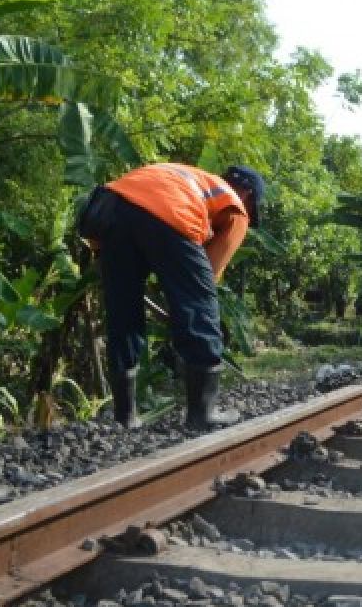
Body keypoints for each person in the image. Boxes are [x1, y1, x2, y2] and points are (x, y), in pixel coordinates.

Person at [95, 162, 264, 430]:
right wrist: (187, 307)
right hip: (167, 210)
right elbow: (207, 278)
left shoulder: (188, 178)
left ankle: (125, 416)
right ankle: (202, 413)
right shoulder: (235, 206)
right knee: (201, 305)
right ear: (249, 195)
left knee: (122, 311)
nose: (249, 216)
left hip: (110, 208)